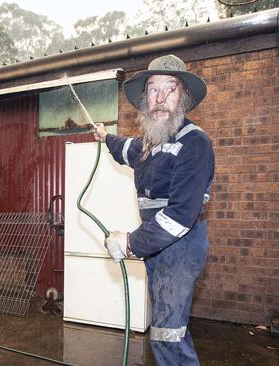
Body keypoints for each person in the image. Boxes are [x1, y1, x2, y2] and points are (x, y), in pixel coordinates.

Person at [93, 54, 215, 365]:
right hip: (159, 250)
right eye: (152, 90)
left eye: (169, 89)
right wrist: (106, 136)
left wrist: (129, 242)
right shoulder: (149, 144)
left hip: (181, 248)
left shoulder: (194, 144)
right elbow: (124, 148)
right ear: (145, 99)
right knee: (165, 330)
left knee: (168, 335)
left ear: (183, 97)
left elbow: (178, 217)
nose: (160, 99)